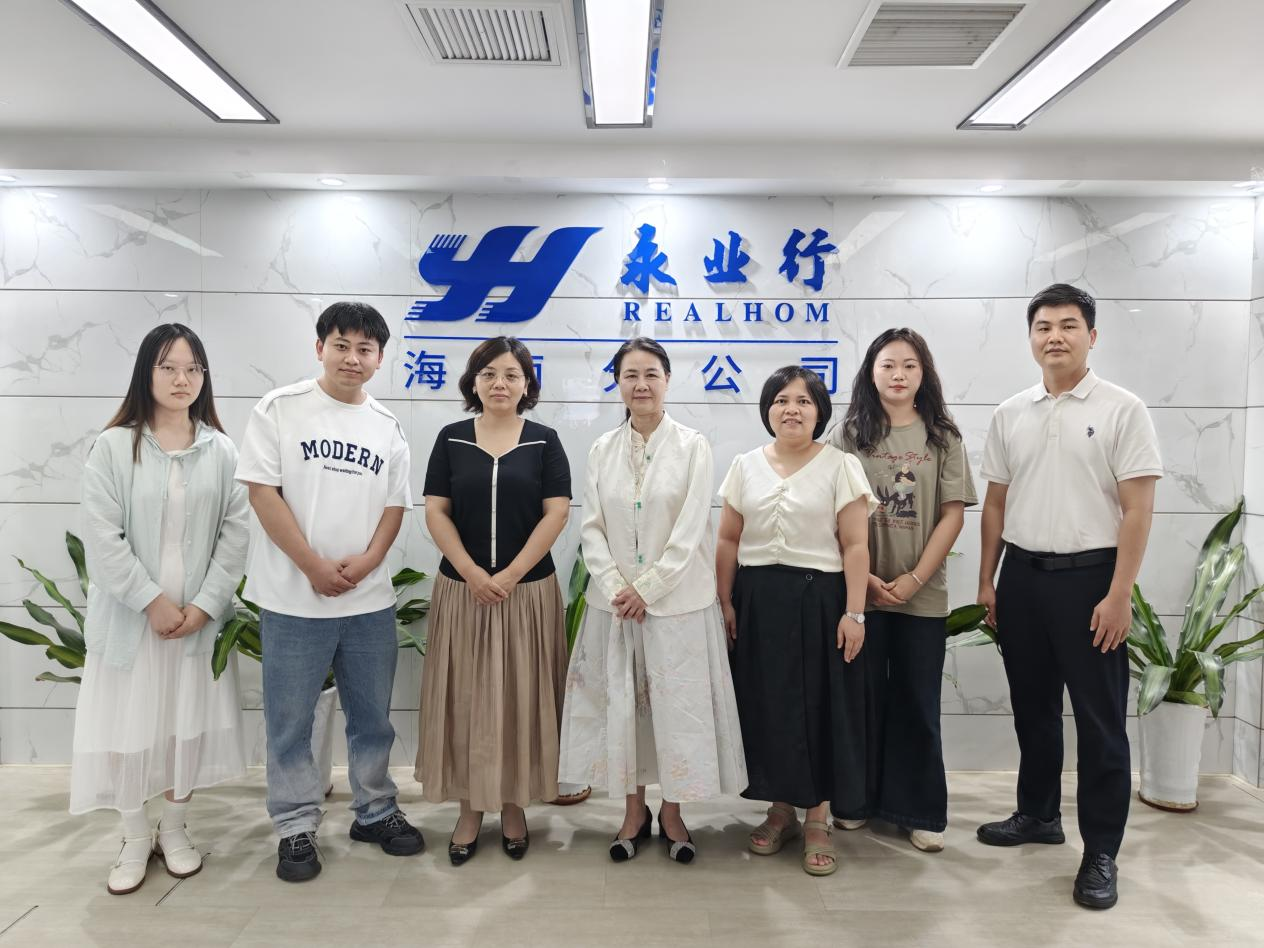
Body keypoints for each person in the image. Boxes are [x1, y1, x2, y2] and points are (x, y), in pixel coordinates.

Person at [976, 284, 1162, 910]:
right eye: (1043, 326)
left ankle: (1101, 850)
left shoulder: (1122, 409)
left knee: (1100, 721)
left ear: (1092, 335)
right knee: (1032, 708)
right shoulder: (1011, 412)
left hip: (1093, 581)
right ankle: (1038, 815)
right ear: (1031, 337)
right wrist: (987, 580)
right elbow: (995, 504)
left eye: (1068, 325)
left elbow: (1138, 509)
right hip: (1022, 578)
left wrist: (1120, 593)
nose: (1054, 336)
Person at [236, 301, 423, 883]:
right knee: (290, 721)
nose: (352, 358)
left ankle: (375, 810)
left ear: (380, 358)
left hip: (368, 603)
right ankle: (295, 825)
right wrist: (313, 566)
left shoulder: (387, 426)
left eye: (365, 349)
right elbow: (262, 493)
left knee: (372, 718)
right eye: (341, 345)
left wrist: (366, 564)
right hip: (293, 600)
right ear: (320, 348)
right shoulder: (280, 408)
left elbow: (395, 508)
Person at [72, 323, 249, 895]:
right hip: (133, 621)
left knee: (184, 726)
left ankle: (173, 828)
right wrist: (151, 601)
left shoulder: (222, 450)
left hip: (195, 623)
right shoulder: (113, 446)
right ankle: (132, 835)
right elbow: (102, 536)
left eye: (193, 368)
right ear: (145, 373)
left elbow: (236, 535)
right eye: (169, 367)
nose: (181, 379)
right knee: (126, 727)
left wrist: (205, 605)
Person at [559, 337, 747, 864]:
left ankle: (673, 812)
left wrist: (649, 587)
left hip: (678, 607)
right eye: (630, 375)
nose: (640, 385)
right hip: (616, 608)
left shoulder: (693, 446)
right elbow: (591, 528)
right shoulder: (601, 450)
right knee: (624, 710)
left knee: (676, 714)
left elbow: (690, 530)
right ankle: (632, 812)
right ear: (618, 383)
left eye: (650, 375)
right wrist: (617, 586)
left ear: (667, 380)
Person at [717, 366, 876, 876]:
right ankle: (780, 809)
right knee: (768, 705)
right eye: (782, 400)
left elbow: (855, 545)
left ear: (819, 412)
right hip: (758, 599)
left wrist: (855, 612)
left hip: (821, 600)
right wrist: (725, 602)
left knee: (819, 706)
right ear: (768, 409)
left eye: (804, 401)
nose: (792, 409)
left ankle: (818, 818)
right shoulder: (745, 465)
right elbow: (728, 540)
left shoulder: (840, 465)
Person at [418, 336, 571, 866]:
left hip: (527, 594)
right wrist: (471, 572)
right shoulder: (452, 438)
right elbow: (436, 510)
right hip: (463, 593)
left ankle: (512, 806)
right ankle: (468, 808)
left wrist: (508, 575)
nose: (499, 383)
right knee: (464, 700)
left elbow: (557, 512)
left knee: (519, 703)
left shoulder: (545, 441)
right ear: (473, 382)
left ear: (527, 384)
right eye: (488, 374)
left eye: (511, 374)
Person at [829, 328, 976, 853]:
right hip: (859, 595)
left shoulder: (943, 437)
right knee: (861, 700)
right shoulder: (849, 435)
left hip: (924, 597)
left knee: (917, 702)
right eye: (888, 365)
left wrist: (914, 579)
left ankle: (919, 812)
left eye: (909, 365)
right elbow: (831, 511)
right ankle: (855, 802)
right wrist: (865, 580)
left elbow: (953, 515)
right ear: (871, 373)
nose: (898, 374)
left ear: (923, 373)